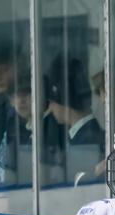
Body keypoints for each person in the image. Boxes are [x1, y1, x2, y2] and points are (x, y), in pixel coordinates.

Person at [45, 55, 103, 183]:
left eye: (51, 102)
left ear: (61, 99)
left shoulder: (87, 140)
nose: (50, 108)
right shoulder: (87, 134)